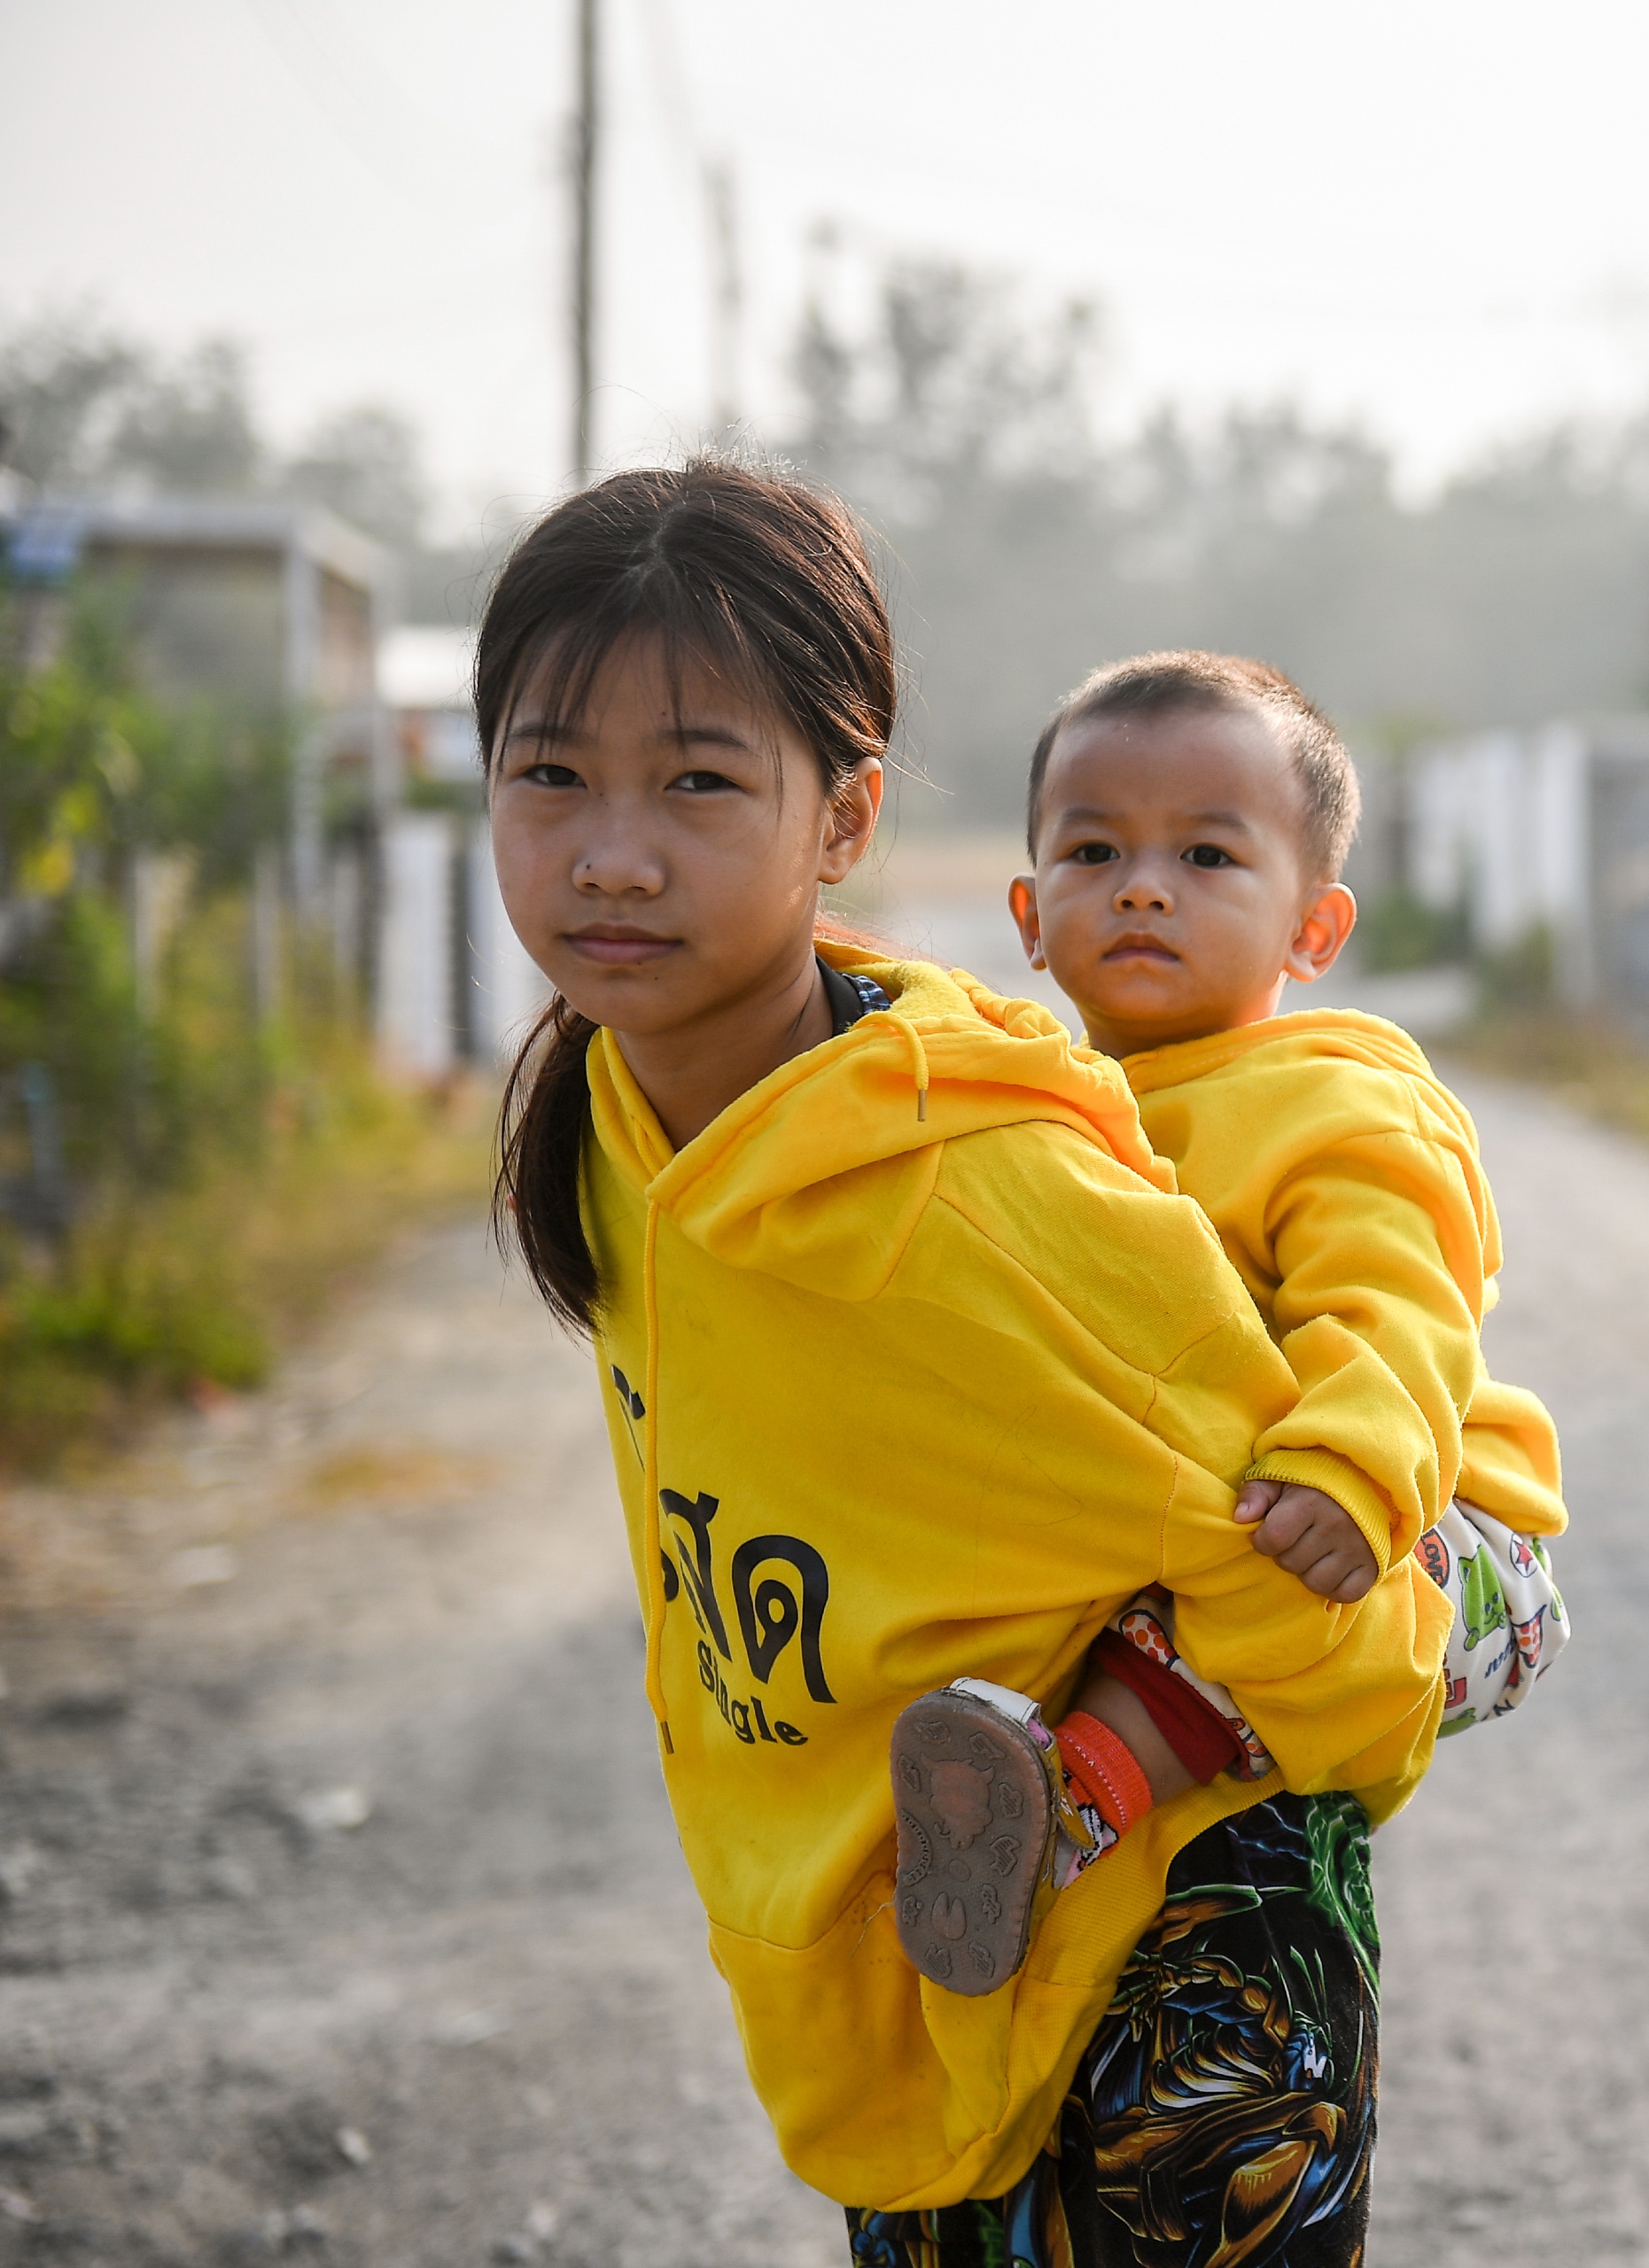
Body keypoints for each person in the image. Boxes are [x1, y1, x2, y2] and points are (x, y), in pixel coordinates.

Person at [481, 459, 1439, 2261]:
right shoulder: (618, 1113)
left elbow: (1354, 1632)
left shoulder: (984, 1196)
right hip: (915, 1972)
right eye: (551, 774)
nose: (611, 850)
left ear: (844, 816)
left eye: (697, 778)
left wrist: (1138, 1747)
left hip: (1168, 1977)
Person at [889, 651, 1573, 2003]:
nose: (1144, 885)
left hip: (1456, 1541)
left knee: (1247, 1572)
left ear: (1314, 932)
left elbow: (1401, 1312)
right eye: (1096, 851)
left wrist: (1351, 1464)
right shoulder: (1049, 1108)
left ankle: (1076, 1806)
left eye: (1208, 855)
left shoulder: (1332, 1103)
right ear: (1030, 912)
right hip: (1267, 1502)